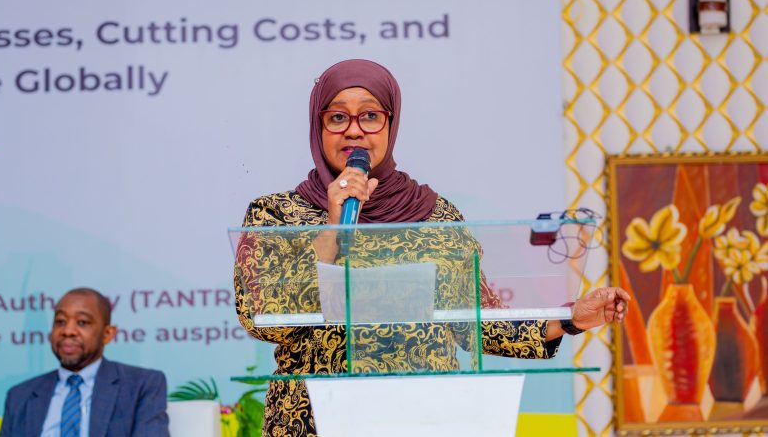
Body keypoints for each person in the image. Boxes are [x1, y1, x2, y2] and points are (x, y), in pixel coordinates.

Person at [233, 59, 630, 436]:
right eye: (337, 117)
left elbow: (478, 321)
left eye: (370, 115)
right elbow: (263, 319)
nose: (354, 131)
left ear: (391, 124)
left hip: (424, 418)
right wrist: (332, 229)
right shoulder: (275, 216)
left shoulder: (435, 214)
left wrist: (570, 319)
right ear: (318, 127)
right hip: (314, 422)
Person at [0, 288, 170, 437]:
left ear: (107, 334)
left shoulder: (141, 385)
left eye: (82, 322)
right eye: (60, 322)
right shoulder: (20, 396)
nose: (68, 331)